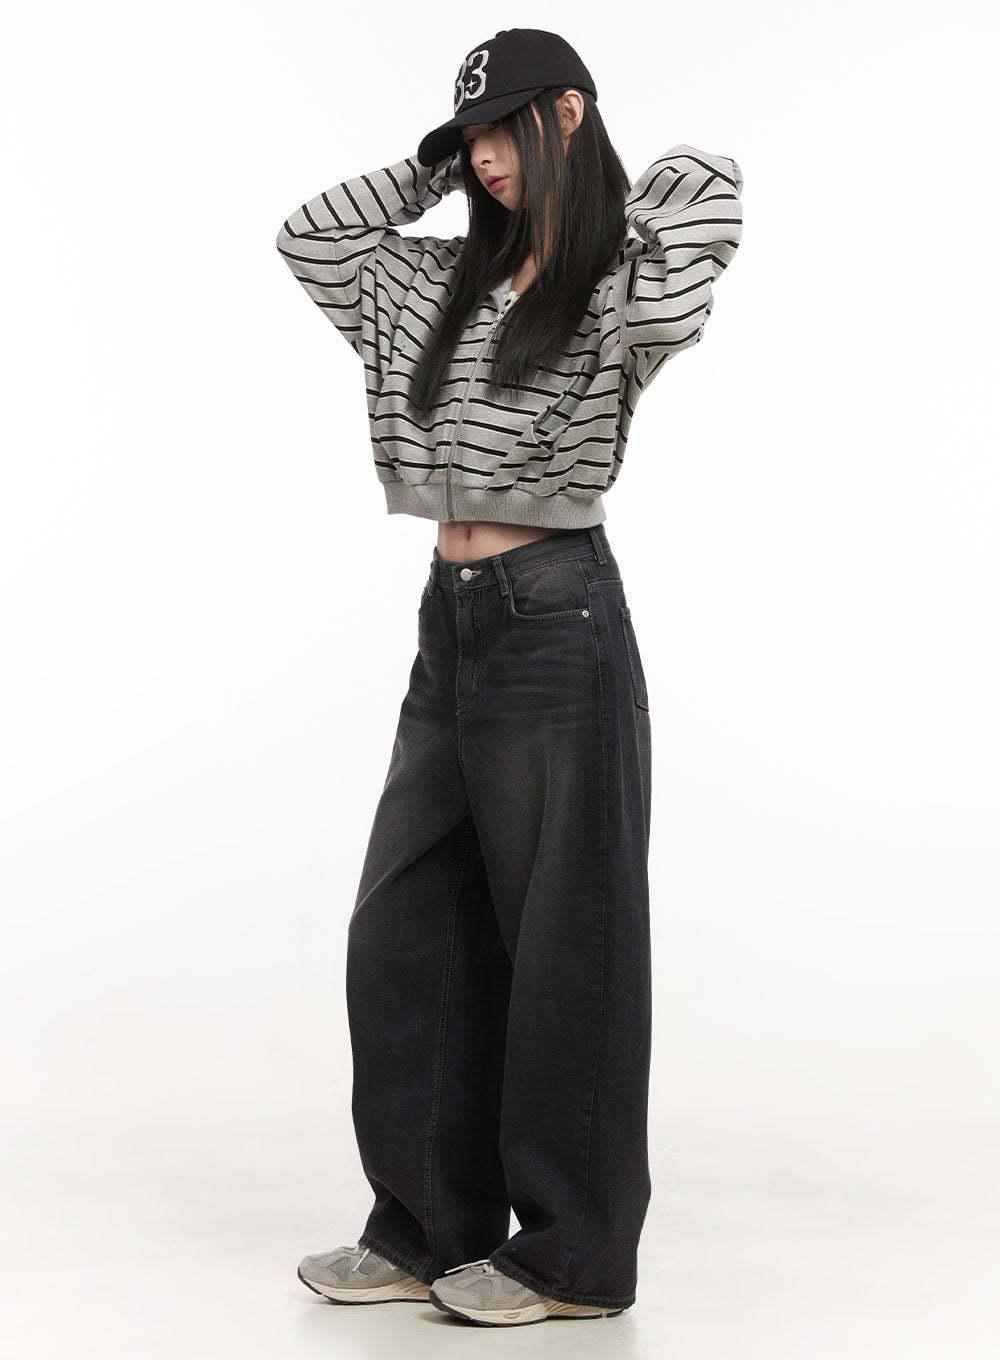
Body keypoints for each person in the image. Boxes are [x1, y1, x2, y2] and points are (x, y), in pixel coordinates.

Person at [275, 26, 743, 1327]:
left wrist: (587, 200)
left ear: (569, 115)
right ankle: (428, 1224)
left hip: (556, 614)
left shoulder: (617, 279)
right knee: (407, 927)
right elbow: (313, 238)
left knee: (563, 939)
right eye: (468, 135)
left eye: (507, 128)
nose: (485, 155)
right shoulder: (434, 280)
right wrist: (434, 165)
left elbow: (707, 197)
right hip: (455, 620)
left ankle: (574, 1258)